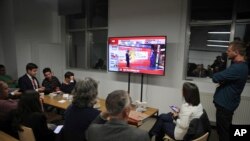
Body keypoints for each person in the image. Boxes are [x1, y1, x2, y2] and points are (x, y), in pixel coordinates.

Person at [212, 41, 248, 141]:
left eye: (229, 50)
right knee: (224, 130)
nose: (226, 52)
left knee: (223, 133)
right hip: (227, 104)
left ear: (236, 52)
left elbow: (215, 78)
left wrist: (219, 75)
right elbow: (224, 78)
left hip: (225, 106)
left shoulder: (238, 68)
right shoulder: (239, 65)